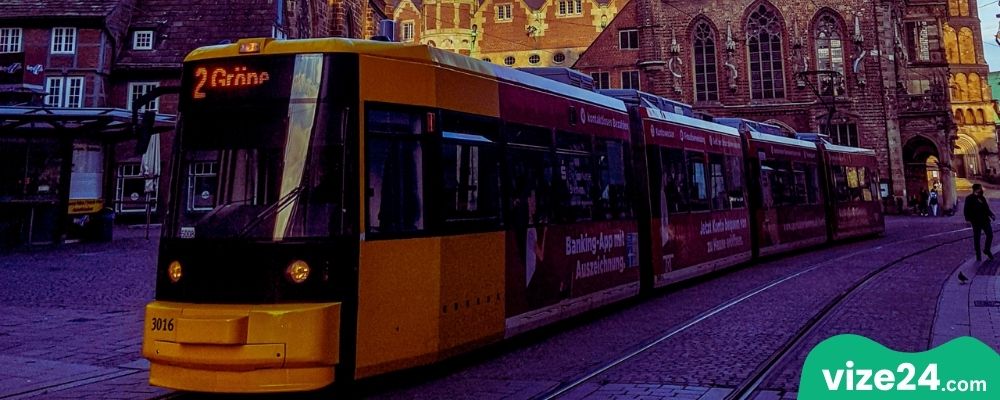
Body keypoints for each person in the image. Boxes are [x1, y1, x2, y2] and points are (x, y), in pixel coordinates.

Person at [964, 183, 995, 261]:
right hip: (975, 221)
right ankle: (978, 255)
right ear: (977, 189)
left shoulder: (982, 198)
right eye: (980, 188)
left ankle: (987, 249)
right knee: (977, 238)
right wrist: (967, 220)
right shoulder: (969, 198)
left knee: (990, 234)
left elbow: (986, 208)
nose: (982, 190)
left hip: (985, 220)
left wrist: (991, 215)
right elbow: (966, 210)